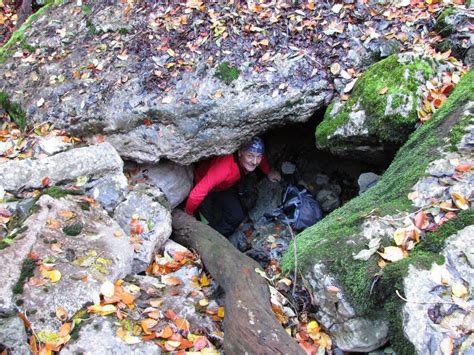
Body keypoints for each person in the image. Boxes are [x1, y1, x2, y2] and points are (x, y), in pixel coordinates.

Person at [185, 137, 281, 237]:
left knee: (237, 217)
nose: (255, 161)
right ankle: (206, 236)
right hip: (207, 187)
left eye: (258, 156)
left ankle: (218, 237)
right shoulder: (224, 168)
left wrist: (268, 172)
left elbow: (261, 160)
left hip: (225, 186)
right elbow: (197, 193)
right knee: (206, 223)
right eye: (250, 156)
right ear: (240, 153)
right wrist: (188, 212)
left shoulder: (251, 161)